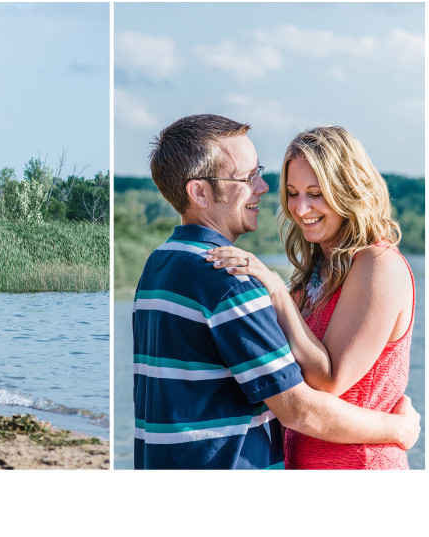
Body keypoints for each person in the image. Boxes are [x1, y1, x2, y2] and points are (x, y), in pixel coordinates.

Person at [132, 114, 419, 469]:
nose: (298, 207)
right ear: (200, 192)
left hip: (355, 464)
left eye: (316, 194)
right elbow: (297, 408)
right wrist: (397, 427)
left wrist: (275, 291)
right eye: (294, 193)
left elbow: (324, 384)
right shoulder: (237, 278)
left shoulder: (159, 265)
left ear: (349, 190)